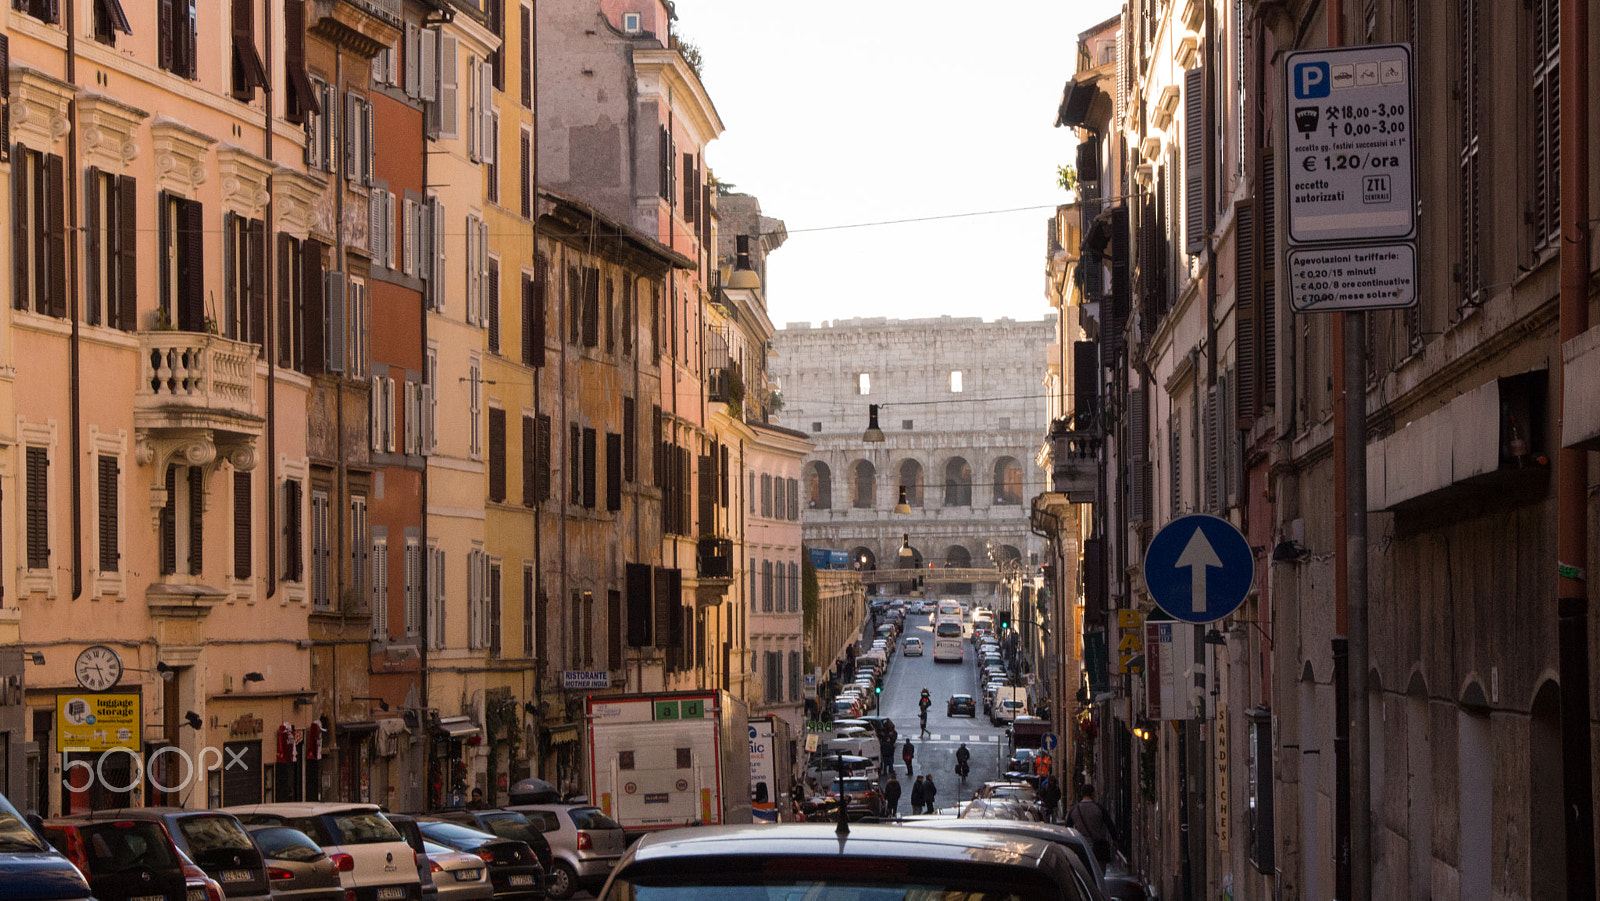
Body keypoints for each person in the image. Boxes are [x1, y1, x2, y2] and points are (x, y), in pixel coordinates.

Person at [1066, 783, 1118, 865]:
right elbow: (1109, 825)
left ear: (1081, 794)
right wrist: (1115, 840)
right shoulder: (1099, 808)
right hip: (1098, 847)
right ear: (1093, 794)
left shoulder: (1074, 810)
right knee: (1099, 871)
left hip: (1081, 847)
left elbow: (1068, 829)